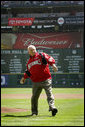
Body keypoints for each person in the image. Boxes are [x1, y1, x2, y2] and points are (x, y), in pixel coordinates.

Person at [20, 45, 58, 116]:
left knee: (49, 94)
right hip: (36, 82)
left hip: (46, 79)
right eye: (31, 50)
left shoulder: (41, 55)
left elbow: (49, 59)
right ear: (28, 52)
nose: (33, 51)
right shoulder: (29, 62)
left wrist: (53, 65)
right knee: (34, 97)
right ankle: (34, 112)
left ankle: (52, 108)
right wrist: (24, 78)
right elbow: (28, 72)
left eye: (34, 49)